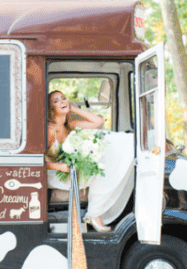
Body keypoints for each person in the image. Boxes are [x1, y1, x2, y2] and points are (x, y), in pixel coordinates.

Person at [46, 90, 135, 232]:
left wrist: (73, 108)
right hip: (53, 172)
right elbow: (36, 161)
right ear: (51, 108)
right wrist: (60, 167)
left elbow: (98, 122)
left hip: (70, 167)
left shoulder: (71, 124)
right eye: (56, 101)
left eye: (63, 98)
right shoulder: (50, 131)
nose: (62, 102)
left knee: (100, 150)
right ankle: (94, 214)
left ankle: (94, 214)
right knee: (99, 168)